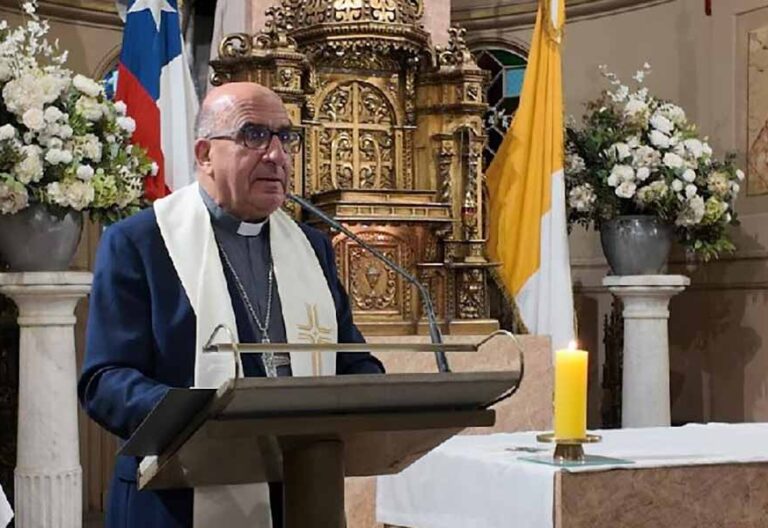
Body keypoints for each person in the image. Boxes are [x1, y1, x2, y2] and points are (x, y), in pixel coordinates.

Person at [78, 82, 384, 528]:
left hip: (300, 494)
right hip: (177, 500)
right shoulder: (141, 243)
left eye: (285, 138)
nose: (277, 155)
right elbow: (104, 381)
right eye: (254, 135)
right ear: (205, 155)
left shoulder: (312, 248)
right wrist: (203, 417)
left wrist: (374, 392)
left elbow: (350, 360)